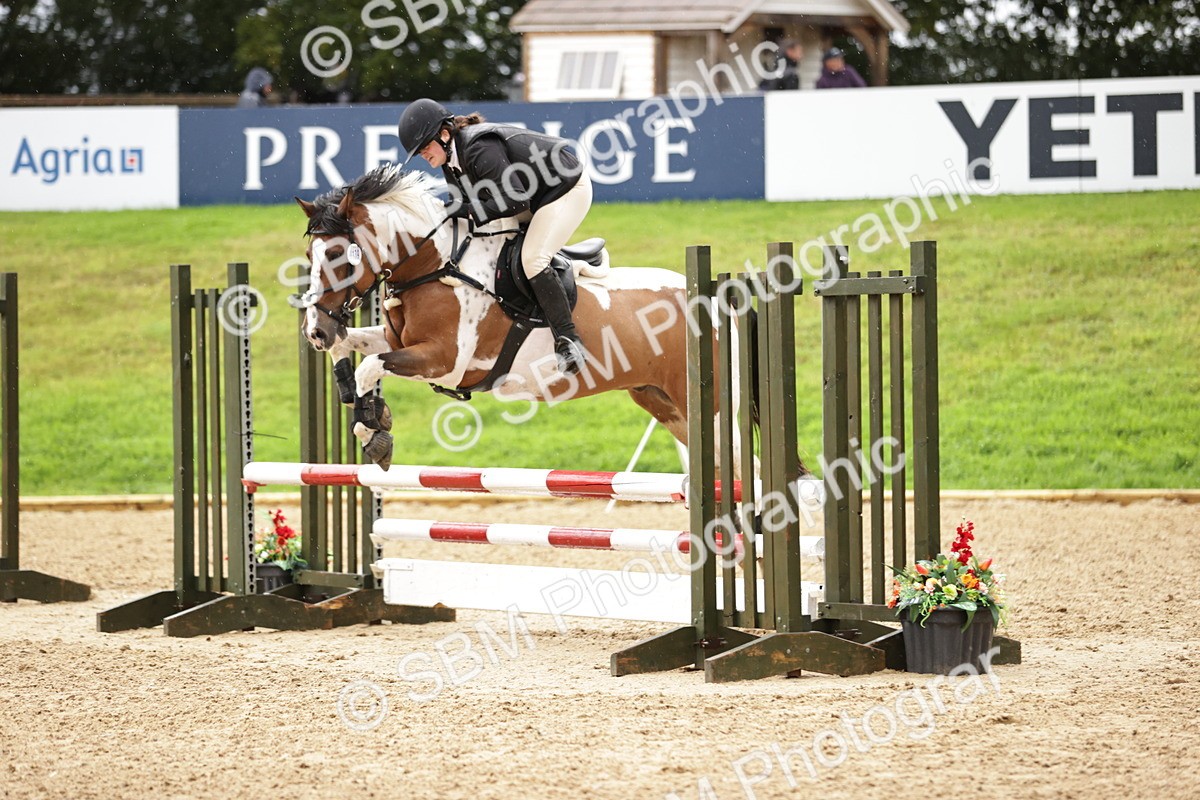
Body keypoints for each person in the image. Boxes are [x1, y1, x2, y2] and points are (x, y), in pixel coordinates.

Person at [398, 98, 590, 375]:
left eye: (425, 147)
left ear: (444, 134)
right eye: (419, 152)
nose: (424, 156)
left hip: (564, 190)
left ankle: (569, 341)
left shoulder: (478, 148)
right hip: (533, 196)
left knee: (532, 260)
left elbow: (514, 201)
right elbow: (467, 211)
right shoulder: (450, 160)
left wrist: (465, 210)